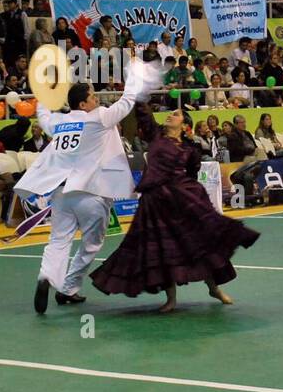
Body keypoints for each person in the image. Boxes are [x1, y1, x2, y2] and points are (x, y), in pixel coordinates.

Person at [17, 57, 162, 313]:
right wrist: (135, 76)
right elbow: (127, 102)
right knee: (91, 244)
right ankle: (69, 287)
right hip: (92, 193)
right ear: (83, 104)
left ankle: (46, 277)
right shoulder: (97, 117)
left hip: (61, 193)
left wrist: (43, 93)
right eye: (93, 96)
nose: (97, 99)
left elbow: (43, 115)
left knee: (58, 241)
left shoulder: (60, 123)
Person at [90, 104, 257, 311]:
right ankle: (171, 299)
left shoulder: (190, 150)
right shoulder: (156, 136)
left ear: (185, 125)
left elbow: (191, 174)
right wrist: (139, 90)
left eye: (176, 114)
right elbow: (144, 114)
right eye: (171, 113)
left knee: (199, 245)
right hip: (154, 204)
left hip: (181, 202)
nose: (170, 115)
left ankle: (213, 287)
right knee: (163, 250)